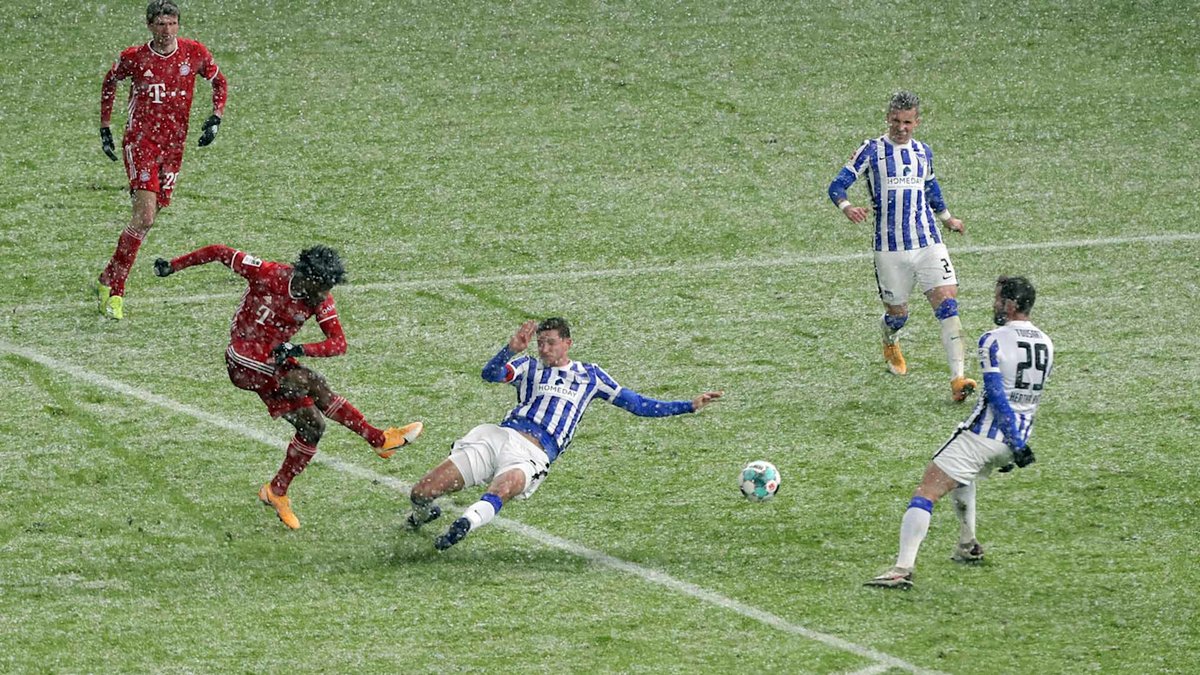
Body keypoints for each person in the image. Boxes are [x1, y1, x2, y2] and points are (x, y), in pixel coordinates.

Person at [153, 244, 422, 530]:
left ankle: (276, 491)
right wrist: (174, 265)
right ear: (305, 276)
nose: (323, 295)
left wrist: (300, 348)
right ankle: (377, 439)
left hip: (273, 361)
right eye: (321, 287)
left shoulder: (319, 298)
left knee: (313, 427)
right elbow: (220, 252)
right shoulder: (268, 273)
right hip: (243, 358)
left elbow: (338, 344)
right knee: (313, 382)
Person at [404, 317, 723, 551]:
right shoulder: (528, 367)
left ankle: (464, 524)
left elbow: (637, 404)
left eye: (551, 343)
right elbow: (490, 375)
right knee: (421, 491)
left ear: (568, 343)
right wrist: (509, 350)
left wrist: (688, 406)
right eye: (540, 343)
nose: (544, 349)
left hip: (534, 453)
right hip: (499, 436)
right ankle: (423, 513)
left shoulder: (590, 375)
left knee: (506, 487)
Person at [865, 276, 1053, 589]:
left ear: (1010, 305)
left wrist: (1015, 443)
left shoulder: (993, 339)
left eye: (997, 299)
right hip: (1016, 437)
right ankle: (968, 544)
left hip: (987, 435)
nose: (994, 305)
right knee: (962, 476)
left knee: (927, 491)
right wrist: (1018, 445)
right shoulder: (1047, 343)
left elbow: (996, 393)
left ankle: (902, 568)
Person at [828, 90, 977, 402]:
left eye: (907, 122)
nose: (901, 128)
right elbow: (837, 185)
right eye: (896, 121)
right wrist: (846, 207)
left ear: (917, 122)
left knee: (948, 303)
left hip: (928, 243)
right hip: (890, 248)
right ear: (887, 119)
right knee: (898, 314)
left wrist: (947, 218)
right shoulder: (871, 150)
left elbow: (931, 186)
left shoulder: (923, 152)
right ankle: (889, 337)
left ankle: (958, 378)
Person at [94, 0, 229, 320]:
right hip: (141, 141)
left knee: (150, 216)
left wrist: (215, 118)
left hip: (173, 146)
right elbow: (109, 81)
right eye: (160, 24)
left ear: (178, 25)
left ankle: (106, 276)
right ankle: (115, 293)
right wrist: (105, 126)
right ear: (150, 26)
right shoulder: (135, 57)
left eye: (171, 24)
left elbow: (219, 81)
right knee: (145, 217)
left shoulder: (194, 52)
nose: (166, 31)